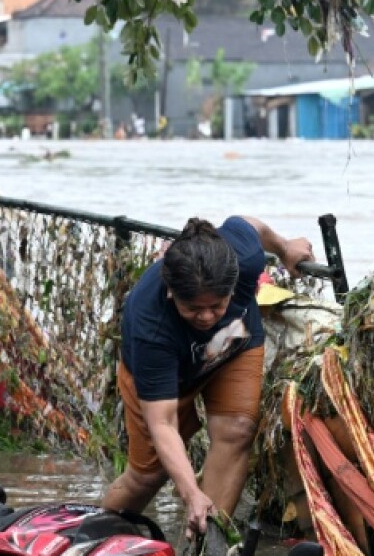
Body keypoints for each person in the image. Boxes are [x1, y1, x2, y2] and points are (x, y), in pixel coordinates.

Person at [101, 215, 313, 538]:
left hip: (233, 347)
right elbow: (163, 423)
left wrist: (284, 247)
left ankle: (209, 548)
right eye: (193, 308)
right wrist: (190, 493)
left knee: (238, 430)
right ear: (171, 292)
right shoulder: (150, 323)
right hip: (170, 375)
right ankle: (91, 537)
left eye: (216, 305)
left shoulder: (244, 257)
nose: (206, 316)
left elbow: (247, 224)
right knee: (148, 476)